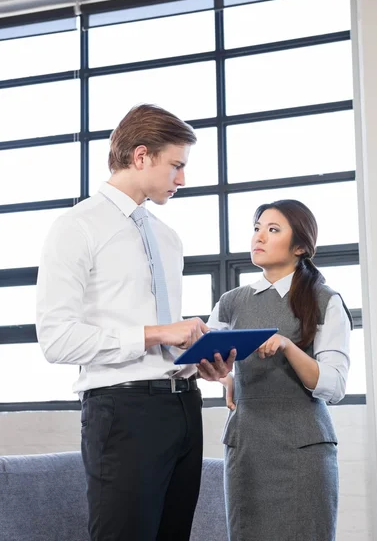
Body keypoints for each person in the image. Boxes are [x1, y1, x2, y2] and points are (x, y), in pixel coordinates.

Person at [36, 103, 235, 541]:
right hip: (122, 412)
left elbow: (166, 338)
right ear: (141, 156)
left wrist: (198, 361)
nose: (182, 179)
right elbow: (56, 339)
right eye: (176, 166)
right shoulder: (77, 227)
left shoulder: (167, 237)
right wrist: (157, 333)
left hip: (183, 407)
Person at [198, 199, 352, 541]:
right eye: (256, 229)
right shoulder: (231, 301)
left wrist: (288, 346)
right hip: (247, 446)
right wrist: (225, 378)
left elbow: (334, 385)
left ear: (299, 246)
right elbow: (209, 358)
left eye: (272, 230)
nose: (259, 237)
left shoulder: (325, 299)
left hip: (304, 449)